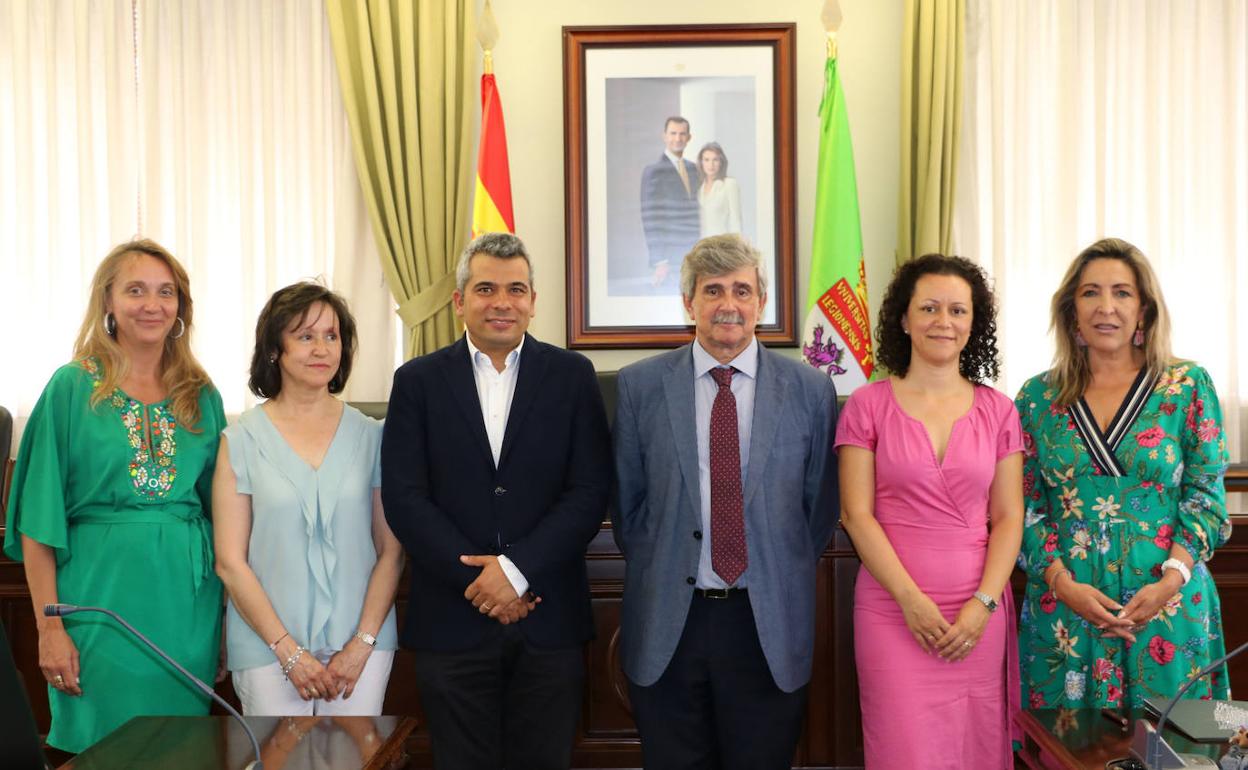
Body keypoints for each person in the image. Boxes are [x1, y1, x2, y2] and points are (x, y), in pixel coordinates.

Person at [381, 232, 611, 769]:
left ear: (534, 301)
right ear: (460, 300)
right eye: (486, 288)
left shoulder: (573, 377)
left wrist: (517, 571)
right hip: (452, 618)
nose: (502, 302)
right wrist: (481, 582)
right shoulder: (417, 381)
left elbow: (588, 491)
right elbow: (405, 497)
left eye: (516, 289)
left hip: (548, 617)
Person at [612, 234, 838, 769]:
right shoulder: (639, 387)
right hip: (671, 618)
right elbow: (627, 504)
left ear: (761, 303)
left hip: (767, 624)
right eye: (713, 290)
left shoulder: (810, 390)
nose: (728, 304)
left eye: (742, 289)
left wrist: (773, 566)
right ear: (688, 303)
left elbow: (819, 507)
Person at [3, 239, 226, 753]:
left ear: (181, 307)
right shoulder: (71, 387)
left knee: (179, 749)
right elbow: (37, 521)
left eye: (166, 292)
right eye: (136, 290)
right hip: (95, 602)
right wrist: (49, 629)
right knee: (100, 745)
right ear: (108, 301)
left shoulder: (201, 394)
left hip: (186, 608)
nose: (152, 305)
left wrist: (225, 623)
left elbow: (226, 522)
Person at [1016, 237, 1231, 710]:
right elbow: (1023, 506)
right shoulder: (1035, 398)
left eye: (1122, 292)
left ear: (1145, 310)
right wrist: (1061, 583)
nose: (1105, 307)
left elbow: (1206, 496)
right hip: (1067, 612)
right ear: (1072, 310)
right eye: (1090, 293)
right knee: (1068, 751)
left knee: (1181, 747)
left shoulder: (1188, 385)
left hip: (1168, 608)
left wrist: (1169, 581)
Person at [836, 254, 1023, 769]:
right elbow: (856, 515)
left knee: (974, 750)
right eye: (931, 308)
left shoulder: (1000, 410)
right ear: (904, 318)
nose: (944, 321)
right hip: (892, 611)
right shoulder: (866, 405)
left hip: (976, 616)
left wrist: (982, 604)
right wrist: (910, 601)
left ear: (973, 323)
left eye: (958, 311)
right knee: (904, 752)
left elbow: (1009, 518)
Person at [213, 282, 401, 716]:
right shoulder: (239, 440)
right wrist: (289, 652)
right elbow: (230, 561)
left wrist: (362, 644)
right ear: (274, 349)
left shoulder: (374, 437)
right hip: (268, 650)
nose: (322, 349)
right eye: (305, 336)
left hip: (362, 648)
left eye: (331, 336)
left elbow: (390, 552)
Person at [640, 116, 701, 287]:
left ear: (689, 138)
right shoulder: (653, 171)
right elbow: (650, 218)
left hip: (694, 254)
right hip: (669, 257)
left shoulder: (693, 168)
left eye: (682, 134)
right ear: (664, 136)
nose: (678, 138)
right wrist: (660, 260)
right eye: (673, 133)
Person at [695, 142, 742, 237]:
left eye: (715, 160)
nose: (711, 165)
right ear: (701, 163)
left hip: (722, 245)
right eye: (706, 160)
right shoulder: (699, 189)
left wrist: (735, 248)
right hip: (702, 246)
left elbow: (736, 222)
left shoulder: (729, 184)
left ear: (721, 162)